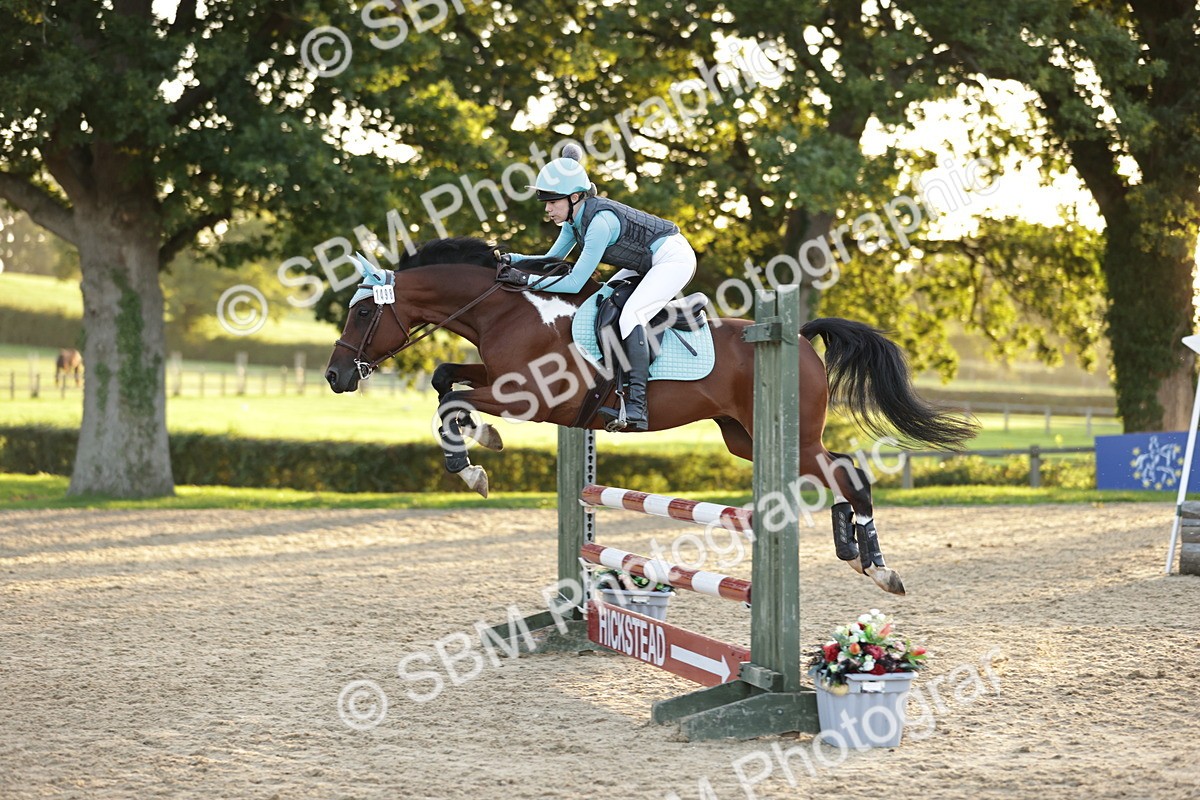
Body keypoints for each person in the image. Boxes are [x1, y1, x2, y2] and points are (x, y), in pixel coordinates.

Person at [498, 143, 697, 431]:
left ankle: (637, 406)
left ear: (575, 197)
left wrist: (525, 281)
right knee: (601, 300)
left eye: (553, 201)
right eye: (547, 202)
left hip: (673, 258)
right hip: (647, 262)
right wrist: (514, 260)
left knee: (631, 315)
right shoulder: (573, 220)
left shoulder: (600, 223)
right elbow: (552, 259)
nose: (548, 208)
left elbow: (575, 281)